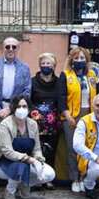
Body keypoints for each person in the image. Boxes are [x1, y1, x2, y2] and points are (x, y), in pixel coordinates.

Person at [0, 37, 32, 194]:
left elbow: (26, 91)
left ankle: (12, 177)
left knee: (14, 144)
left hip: (16, 111)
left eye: (14, 47)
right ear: (3, 48)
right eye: (7, 46)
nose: (10, 49)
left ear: (18, 49)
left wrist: (11, 109)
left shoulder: (24, 68)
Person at [0, 96, 56, 199]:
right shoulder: (5, 124)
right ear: (13, 108)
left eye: (24, 106)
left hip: (27, 162)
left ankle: (24, 183)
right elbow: (7, 151)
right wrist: (29, 159)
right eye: (18, 106)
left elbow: (37, 148)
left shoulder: (33, 124)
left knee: (49, 174)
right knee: (20, 167)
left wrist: (38, 160)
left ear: (29, 108)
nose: (21, 109)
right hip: (4, 163)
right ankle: (10, 192)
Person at [60, 47, 98, 193]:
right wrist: (68, 115)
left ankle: (84, 177)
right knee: (73, 148)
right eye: (77, 58)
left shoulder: (92, 75)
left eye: (82, 58)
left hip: (89, 115)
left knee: (87, 148)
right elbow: (61, 98)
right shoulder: (65, 75)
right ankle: (74, 179)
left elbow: (96, 95)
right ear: (72, 60)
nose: (80, 61)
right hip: (71, 116)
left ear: (87, 60)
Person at [30, 52, 63, 189]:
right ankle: (36, 179)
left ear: (54, 65)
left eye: (48, 63)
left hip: (53, 123)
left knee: (51, 151)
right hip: (36, 122)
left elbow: (61, 99)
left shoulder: (59, 82)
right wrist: (35, 114)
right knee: (36, 150)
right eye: (43, 64)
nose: (45, 66)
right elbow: (28, 99)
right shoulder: (32, 81)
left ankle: (48, 179)